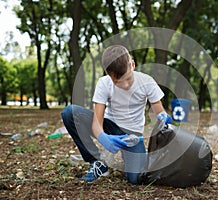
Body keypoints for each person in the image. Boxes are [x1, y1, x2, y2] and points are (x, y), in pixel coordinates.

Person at [61, 45, 172, 184]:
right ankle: (97, 163)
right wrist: (103, 137)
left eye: (128, 78)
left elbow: (159, 111)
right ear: (109, 75)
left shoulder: (147, 82)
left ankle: (131, 161)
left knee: (136, 180)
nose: (125, 85)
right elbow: (97, 123)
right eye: (118, 82)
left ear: (132, 65)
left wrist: (163, 117)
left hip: (132, 135)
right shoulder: (104, 83)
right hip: (110, 126)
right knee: (69, 113)